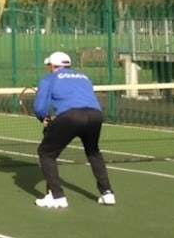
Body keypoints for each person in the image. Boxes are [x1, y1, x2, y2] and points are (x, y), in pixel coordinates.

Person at [28, 51, 114, 209]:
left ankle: (57, 196)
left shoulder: (49, 79)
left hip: (71, 116)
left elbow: (40, 107)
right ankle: (107, 193)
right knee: (93, 152)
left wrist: (44, 118)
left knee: (46, 154)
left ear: (54, 66)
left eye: (49, 66)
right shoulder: (84, 77)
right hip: (95, 115)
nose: (48, 68)